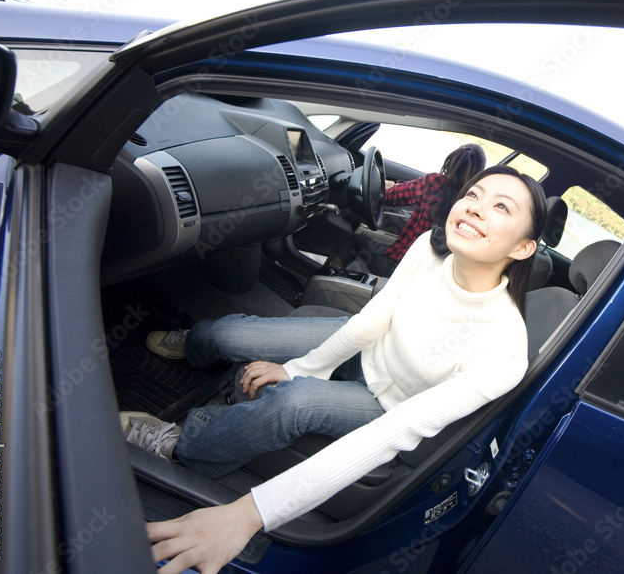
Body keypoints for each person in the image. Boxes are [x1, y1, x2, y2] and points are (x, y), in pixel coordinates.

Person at [123, 165, 548, 574]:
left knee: (293, 402)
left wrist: (247, 515)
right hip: (364, 346)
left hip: (384, 403)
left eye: (501, 207)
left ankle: (183, 445)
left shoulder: (502, 353)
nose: (474, 207)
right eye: (473, 195)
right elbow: (371, 321)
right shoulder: (429, 247)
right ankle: (197, 346)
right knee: (228, 336)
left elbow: (391, 433)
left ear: (522, 247)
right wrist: (301, 366)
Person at [348, 142, 486, 275]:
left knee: (351, 239)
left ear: (452, 162)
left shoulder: (434, 183)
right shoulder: (472, 204)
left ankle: (332, 273)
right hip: (423, 275)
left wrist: (385, 186)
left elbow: (388, 197)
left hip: (397, 266)